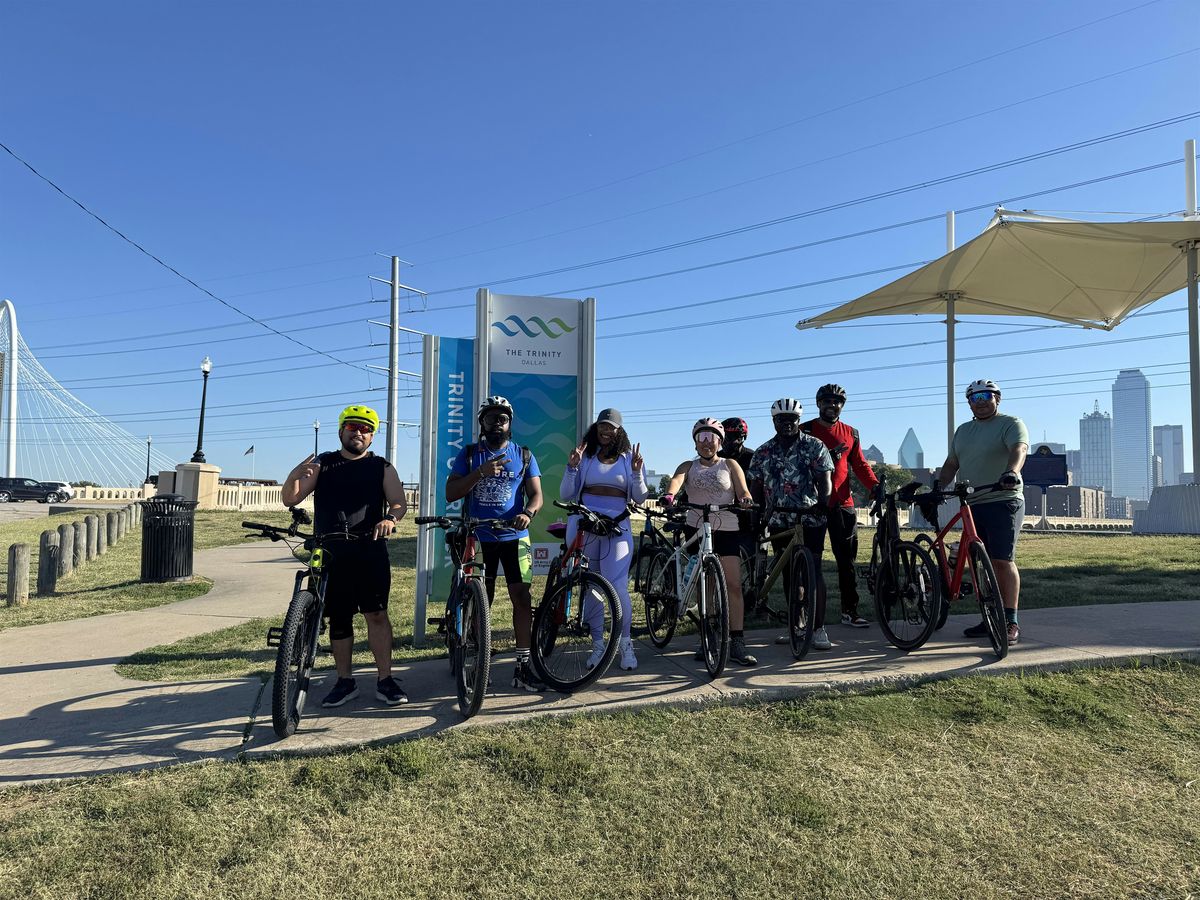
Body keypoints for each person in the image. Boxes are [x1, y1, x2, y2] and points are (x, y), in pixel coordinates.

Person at [281, 404, 409, 708]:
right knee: (339, 618)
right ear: (341, 431)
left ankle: (385, 680)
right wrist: (294, 475)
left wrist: (390, 519)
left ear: (372, 436)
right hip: (331, 550)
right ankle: (344, 681)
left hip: (369, 548)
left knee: (376, 614)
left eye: (366, 429)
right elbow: (290, 498)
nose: (358, 433)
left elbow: (398, 503)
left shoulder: (382, 466)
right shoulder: (323, 464)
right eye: (352, 427)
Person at [446, 396, 546, 691]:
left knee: (522, 599)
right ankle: (480, 663)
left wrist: (528, 513)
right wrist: (480, 473)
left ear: (510, 423)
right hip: (479, 536)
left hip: (514, 537)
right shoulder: (469, 454)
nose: (497, 424)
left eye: (502, 419)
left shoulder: (524, 455)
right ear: (482, 423)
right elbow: (451, 492)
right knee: (481, 601)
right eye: (491, 418)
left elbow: (536, 495)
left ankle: (523, 667)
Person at [935, 379, 1028, 645]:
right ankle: (989, 616)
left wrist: (1012, 472)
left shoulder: (1011, 423)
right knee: (979, 563)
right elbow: (952, 463)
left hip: (1003, 499)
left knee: (1001, 560)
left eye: (986, 396)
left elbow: (1019, 449)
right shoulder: (963, 431)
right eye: (975, 398)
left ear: (997, 398)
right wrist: (939, 487)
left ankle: (1010, 621)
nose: (981, 402)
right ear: (969, 403)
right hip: (973, 503)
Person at [661, 418, 758, 666]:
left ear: (720, 442)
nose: (707, 443)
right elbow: (677, 481)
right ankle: (708, 637)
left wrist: (745, 499)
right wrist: (669, 495)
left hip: (726, 528)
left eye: (712, 438)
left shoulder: (730, 464)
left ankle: (737, 641)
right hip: (697, 528)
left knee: (733, 585)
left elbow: (742, 490)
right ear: (695, 443)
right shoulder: (688, 466)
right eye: (701, 438)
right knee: (707, 585)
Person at [560, 408, 648, 670]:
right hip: (587, 526)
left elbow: (640, 497)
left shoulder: (628, 457)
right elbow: (566, 494)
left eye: (612, 427)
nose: (606, 431)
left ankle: (625, 645)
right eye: (602, 426)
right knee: (592, 587)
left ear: (620, 431)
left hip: (617, 528)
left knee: (618, 587)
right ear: (596, 428)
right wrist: (572, 467)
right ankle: (597, 645)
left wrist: (637, 473)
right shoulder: (585, 456)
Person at [747, 398, 834, 649]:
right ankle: (796, 626)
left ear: (799, 420)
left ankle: (818, 628)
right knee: (789, 574)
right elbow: (756, 488)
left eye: (791, 419)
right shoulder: (763, 452)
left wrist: (823, 502)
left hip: (810, 517)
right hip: (778, 518)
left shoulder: (814, 446)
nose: (786, 424)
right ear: (773, 421)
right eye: (781, 420)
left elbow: (825, 479)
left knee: (813, 570)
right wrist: (756, 516)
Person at [801, 384, 883, 628]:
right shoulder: (804, 431)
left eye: (837, 402)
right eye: (827, 401)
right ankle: (804, 615)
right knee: (808, 561)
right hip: (811, 505)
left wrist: (874, 486)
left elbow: (860, 464)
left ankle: (850, 611)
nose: (832, 405)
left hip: (842, 504)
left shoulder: (851, 433)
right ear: (818, 404)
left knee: (846, 561)